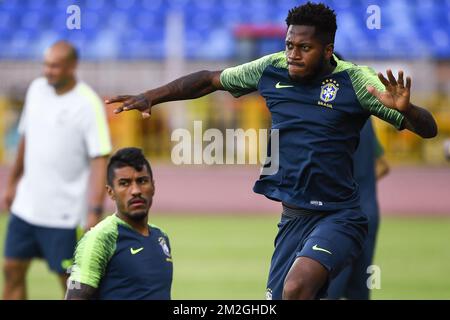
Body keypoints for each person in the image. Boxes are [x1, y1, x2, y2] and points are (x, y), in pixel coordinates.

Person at [105, 2, 437, 300]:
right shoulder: (271, 68)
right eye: (289, 45)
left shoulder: (357, 82)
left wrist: (408, 111)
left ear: (327, 50)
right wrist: (151, 96)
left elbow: (429, 128)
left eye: (304, 47)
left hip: (340, 216)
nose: (293, 54)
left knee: (296, 288)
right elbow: (208, 80)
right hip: (292, 217)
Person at [2, 41, 112, 300]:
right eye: (46, 64)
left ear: (72, 67)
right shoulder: (36, 90)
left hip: (64, 215)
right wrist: (12, 182)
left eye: (54, 66)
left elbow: (100, 157)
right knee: (12, 269)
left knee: (73, 286)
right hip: (26, 207)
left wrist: (95, 210)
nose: (47, 71)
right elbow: (25, 138)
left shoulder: (88, 103)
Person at [65, 147, 173, 300]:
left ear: (153, 186)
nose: (135, 190)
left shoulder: (161, 237)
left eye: (142, 181)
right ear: (110, 192)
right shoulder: (100, 238)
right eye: (125, 183)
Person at [327, 118, 389, 299]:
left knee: (330, 291)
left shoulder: (328, 118)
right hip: (368, 212)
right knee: (360, 292)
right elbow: (383, 166)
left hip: (339, 217)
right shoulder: (365, 118)